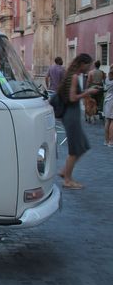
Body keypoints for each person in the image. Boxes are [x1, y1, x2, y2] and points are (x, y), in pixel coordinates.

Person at [58, 53, 99, 189]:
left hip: (72, 115)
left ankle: (65, 171)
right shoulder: (75, 77)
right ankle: (67, 180)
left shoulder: (72, 75)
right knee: (74, 149)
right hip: (71, 116)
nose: (89, 67)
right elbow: (73, 98)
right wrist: (88, 92)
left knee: (83, 146)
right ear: (82, 64)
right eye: (88, 65)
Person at [103, 70, 113, 147]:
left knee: (107, 121)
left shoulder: (107, 79)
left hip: (107, 99)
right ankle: (111, 141)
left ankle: (106, 140)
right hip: (112, 101)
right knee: (112, 121)